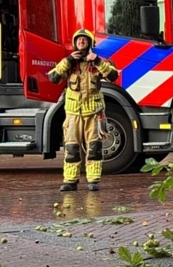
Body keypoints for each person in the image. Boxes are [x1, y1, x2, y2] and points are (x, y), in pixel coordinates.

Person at [47, 30, 119, 192]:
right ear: (74, 43)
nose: (81, 41)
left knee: (94, 148)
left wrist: (98, 61)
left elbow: (113, 76)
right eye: (78, 39)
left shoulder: (98, 62)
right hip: (73, 114)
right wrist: (69, 59)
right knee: (72, 149)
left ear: (90, 43)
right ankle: (70, 181)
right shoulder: (69, 63)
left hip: (94, 113)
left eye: (84, 39)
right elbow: (53, 77)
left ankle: (93, 181)